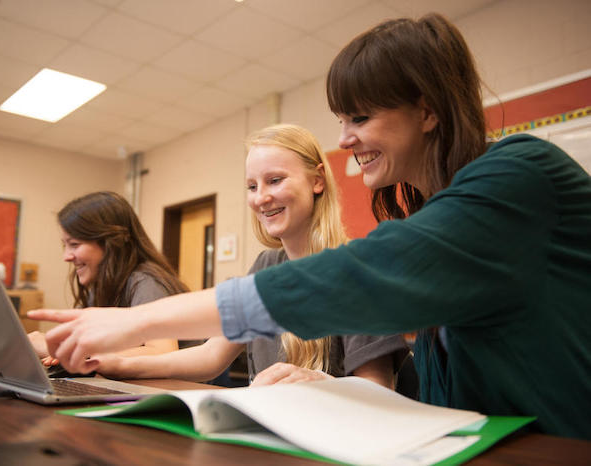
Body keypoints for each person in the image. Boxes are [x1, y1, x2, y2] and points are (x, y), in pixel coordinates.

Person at [29, 14, 591, 439]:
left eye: (361, 117)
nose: (345, 138)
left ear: (427, 110)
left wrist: (128, 325)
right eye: (341, 120)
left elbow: (360, 276)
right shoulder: (431, 215)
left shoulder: (520, 173)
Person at [91, 124, 408, 388]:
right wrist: (119, 365)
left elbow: (379, 389)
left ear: (317, 180)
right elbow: (211, 356)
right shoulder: (265, 266)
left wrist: (323, 383)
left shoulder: (359, 270)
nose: (261, 198)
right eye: (252, 186)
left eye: (275, 180)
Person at [28, 191, 187, 364]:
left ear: (112, 243)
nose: (66, 256)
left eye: (74, 244)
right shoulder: (100, 286)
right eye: (64, 245)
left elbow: (163, 352)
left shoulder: (145, 282)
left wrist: (76, 352)